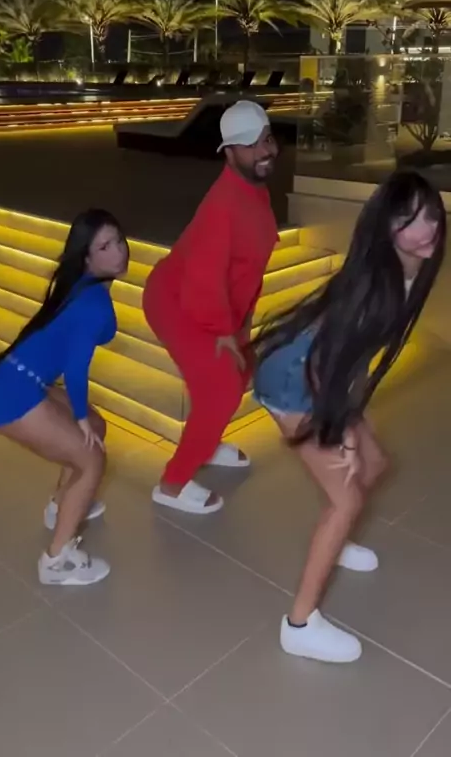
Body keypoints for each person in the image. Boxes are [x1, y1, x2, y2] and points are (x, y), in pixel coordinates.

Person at [253, 171, 446, 663]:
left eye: (430, 215)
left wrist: (353, 424)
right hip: (293, 383)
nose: (426, 228)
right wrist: (341, 432)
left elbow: (353, 357)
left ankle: (335, 542)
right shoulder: (378, 285)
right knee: (346, 500)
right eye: (408, 220)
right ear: (386, 227)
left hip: (324, 374)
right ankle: (300, 624)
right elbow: (324, 363)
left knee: (375, 464)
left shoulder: (404, 271)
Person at [0, 209, 129, 586]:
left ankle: (61, 505)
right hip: (14, 394)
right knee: (92, 460)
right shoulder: (93, 303)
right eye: (104, 247)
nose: (119, 252)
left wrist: (84, 420)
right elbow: (75, 370)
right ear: (87, 258)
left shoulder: (84, 285)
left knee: (96, 427)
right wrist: (77, 417)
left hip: (19, 379)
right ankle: (57, 561)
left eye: (119, 241)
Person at [143, 99, 279, 514]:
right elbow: (204, 278)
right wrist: (223, 331)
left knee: (238, 372)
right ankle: (172, 483)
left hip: (211, 300)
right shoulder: (223, 205)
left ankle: (206, 440)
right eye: (251, 145)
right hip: (176, 302)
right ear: (229, 152)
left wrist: (242, 323)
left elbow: (247, 268)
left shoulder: (253, 190)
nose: (265, 151)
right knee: (221, 386)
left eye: (267, 139)